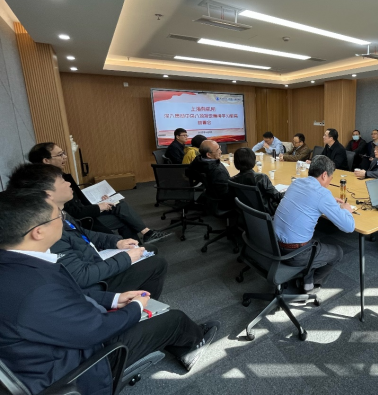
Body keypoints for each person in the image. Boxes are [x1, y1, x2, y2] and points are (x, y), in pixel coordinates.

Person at [0, 188, 219, 394]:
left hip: (55, 346)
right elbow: (94, 330)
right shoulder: (37, 287)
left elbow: (67, 298)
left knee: (151, 309)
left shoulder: (16, 266)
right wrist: (135, 309)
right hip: (80, 366)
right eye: (57, 216)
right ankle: (193, 346)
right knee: (175, 320)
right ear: (38, 232)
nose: (63, 219)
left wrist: (113, 299)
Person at [8, 164, 168, 297]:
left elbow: (86, 234)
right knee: (156, 263)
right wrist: (126, 258)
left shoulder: (60, 213)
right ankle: (141, 309)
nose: (69, 184)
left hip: (92, 259)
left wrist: (117, 242)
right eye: (62, 181)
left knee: (148, 249)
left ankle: (134, 299)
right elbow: (82, 277)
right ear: (48, 194)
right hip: (94, 284)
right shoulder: (47, 230)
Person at [28, 143, 169, 243]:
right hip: (83, 221)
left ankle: (141, 241)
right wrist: (99, 206)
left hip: (85, 212)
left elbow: (76, 200)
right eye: (60, 154)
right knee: (123, 215)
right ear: (46, 160)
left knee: (119, 205)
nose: (65, 157)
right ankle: (142, 240)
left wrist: (96, 200)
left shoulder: (57, 176)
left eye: (63, 153)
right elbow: (74, 212)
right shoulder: (49, 183)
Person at [274, 155, 354, 293]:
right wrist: (347, 210)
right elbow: (349, 227)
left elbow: (306, 200)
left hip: (272, 244)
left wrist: (329, 202)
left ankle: (308, 280)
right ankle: (311, 286)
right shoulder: (322, 194)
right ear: (324, 175)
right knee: (337, 252)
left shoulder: (296, 183)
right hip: (294, 254)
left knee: (315, 241)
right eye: (330, 178)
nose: (329, 182)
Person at [230, 148, 284, 214]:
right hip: (265, 211)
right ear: (253, 160)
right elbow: (278, 196)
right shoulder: (261, 178)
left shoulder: (232, 180)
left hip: (246, 211)